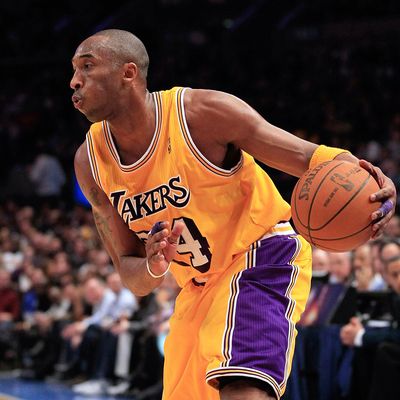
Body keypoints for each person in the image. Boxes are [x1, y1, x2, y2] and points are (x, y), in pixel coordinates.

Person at [70, 29, 396, 400]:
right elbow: (133, 278)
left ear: (128, 73)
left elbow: (308, 157)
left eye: (87, 67)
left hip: (261, 254)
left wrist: (370, 179)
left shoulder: (201, 114)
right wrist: (153, 265)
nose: (74, 81)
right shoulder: (90, 163)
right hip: (197, 288)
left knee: (243, 387)